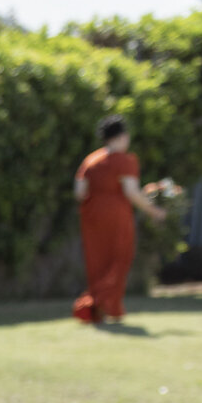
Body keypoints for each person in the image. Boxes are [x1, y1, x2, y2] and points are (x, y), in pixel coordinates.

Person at [72, 114, 166, 326]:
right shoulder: (125, 160)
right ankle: (102, 304)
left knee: (97, 261)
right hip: (116, 215)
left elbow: (79, 192)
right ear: (122, 136)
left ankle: (98, 307)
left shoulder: (91, 159)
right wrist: (154, 211)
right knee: (119, 258)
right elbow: (131, 192)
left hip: (92, 216)